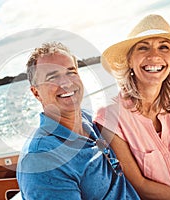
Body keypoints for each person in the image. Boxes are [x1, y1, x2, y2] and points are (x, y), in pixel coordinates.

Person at [16, 42, 140, 199]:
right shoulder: (41, 159)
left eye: (71, 72)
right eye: (52, 77)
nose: (66, 83)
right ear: (36, 93)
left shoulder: (91, 120)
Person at [95, 14, 170, 199]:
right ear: (130, 62)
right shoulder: (110, 116)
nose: (154, 55)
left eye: (163, 47)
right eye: (143, 48)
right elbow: (140, 187)